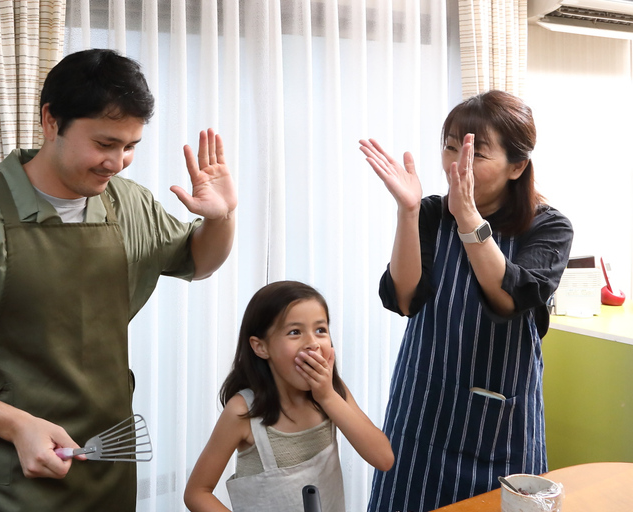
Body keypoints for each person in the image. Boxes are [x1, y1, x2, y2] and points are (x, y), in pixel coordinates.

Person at [0, 49, 236, 511]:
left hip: (110, 465)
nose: (118, 162)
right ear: (51, 120)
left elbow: (198, 262)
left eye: (130, 147)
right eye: (105, 144)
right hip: (18, 480)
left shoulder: (129, 204)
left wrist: (222, 217)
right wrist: (15, 425)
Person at [359, 90, 574, 512]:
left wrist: (469, 218)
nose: (457, 164)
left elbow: (509, 298)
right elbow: (403, 298)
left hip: (501, 430)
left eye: (476, 154)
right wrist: (407, 212)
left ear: (517, 166)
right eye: (451, 147)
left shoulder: (548, 227)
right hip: (422, 414)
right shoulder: (429, 214)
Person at [184, 280, 394, 512]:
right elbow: (197, 492)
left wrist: (328, 398)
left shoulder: (333, 392)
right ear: (260, 347)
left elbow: (383, 458)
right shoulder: (242, 411)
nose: (313, 343)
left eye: (320, 330)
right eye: (295, 332)